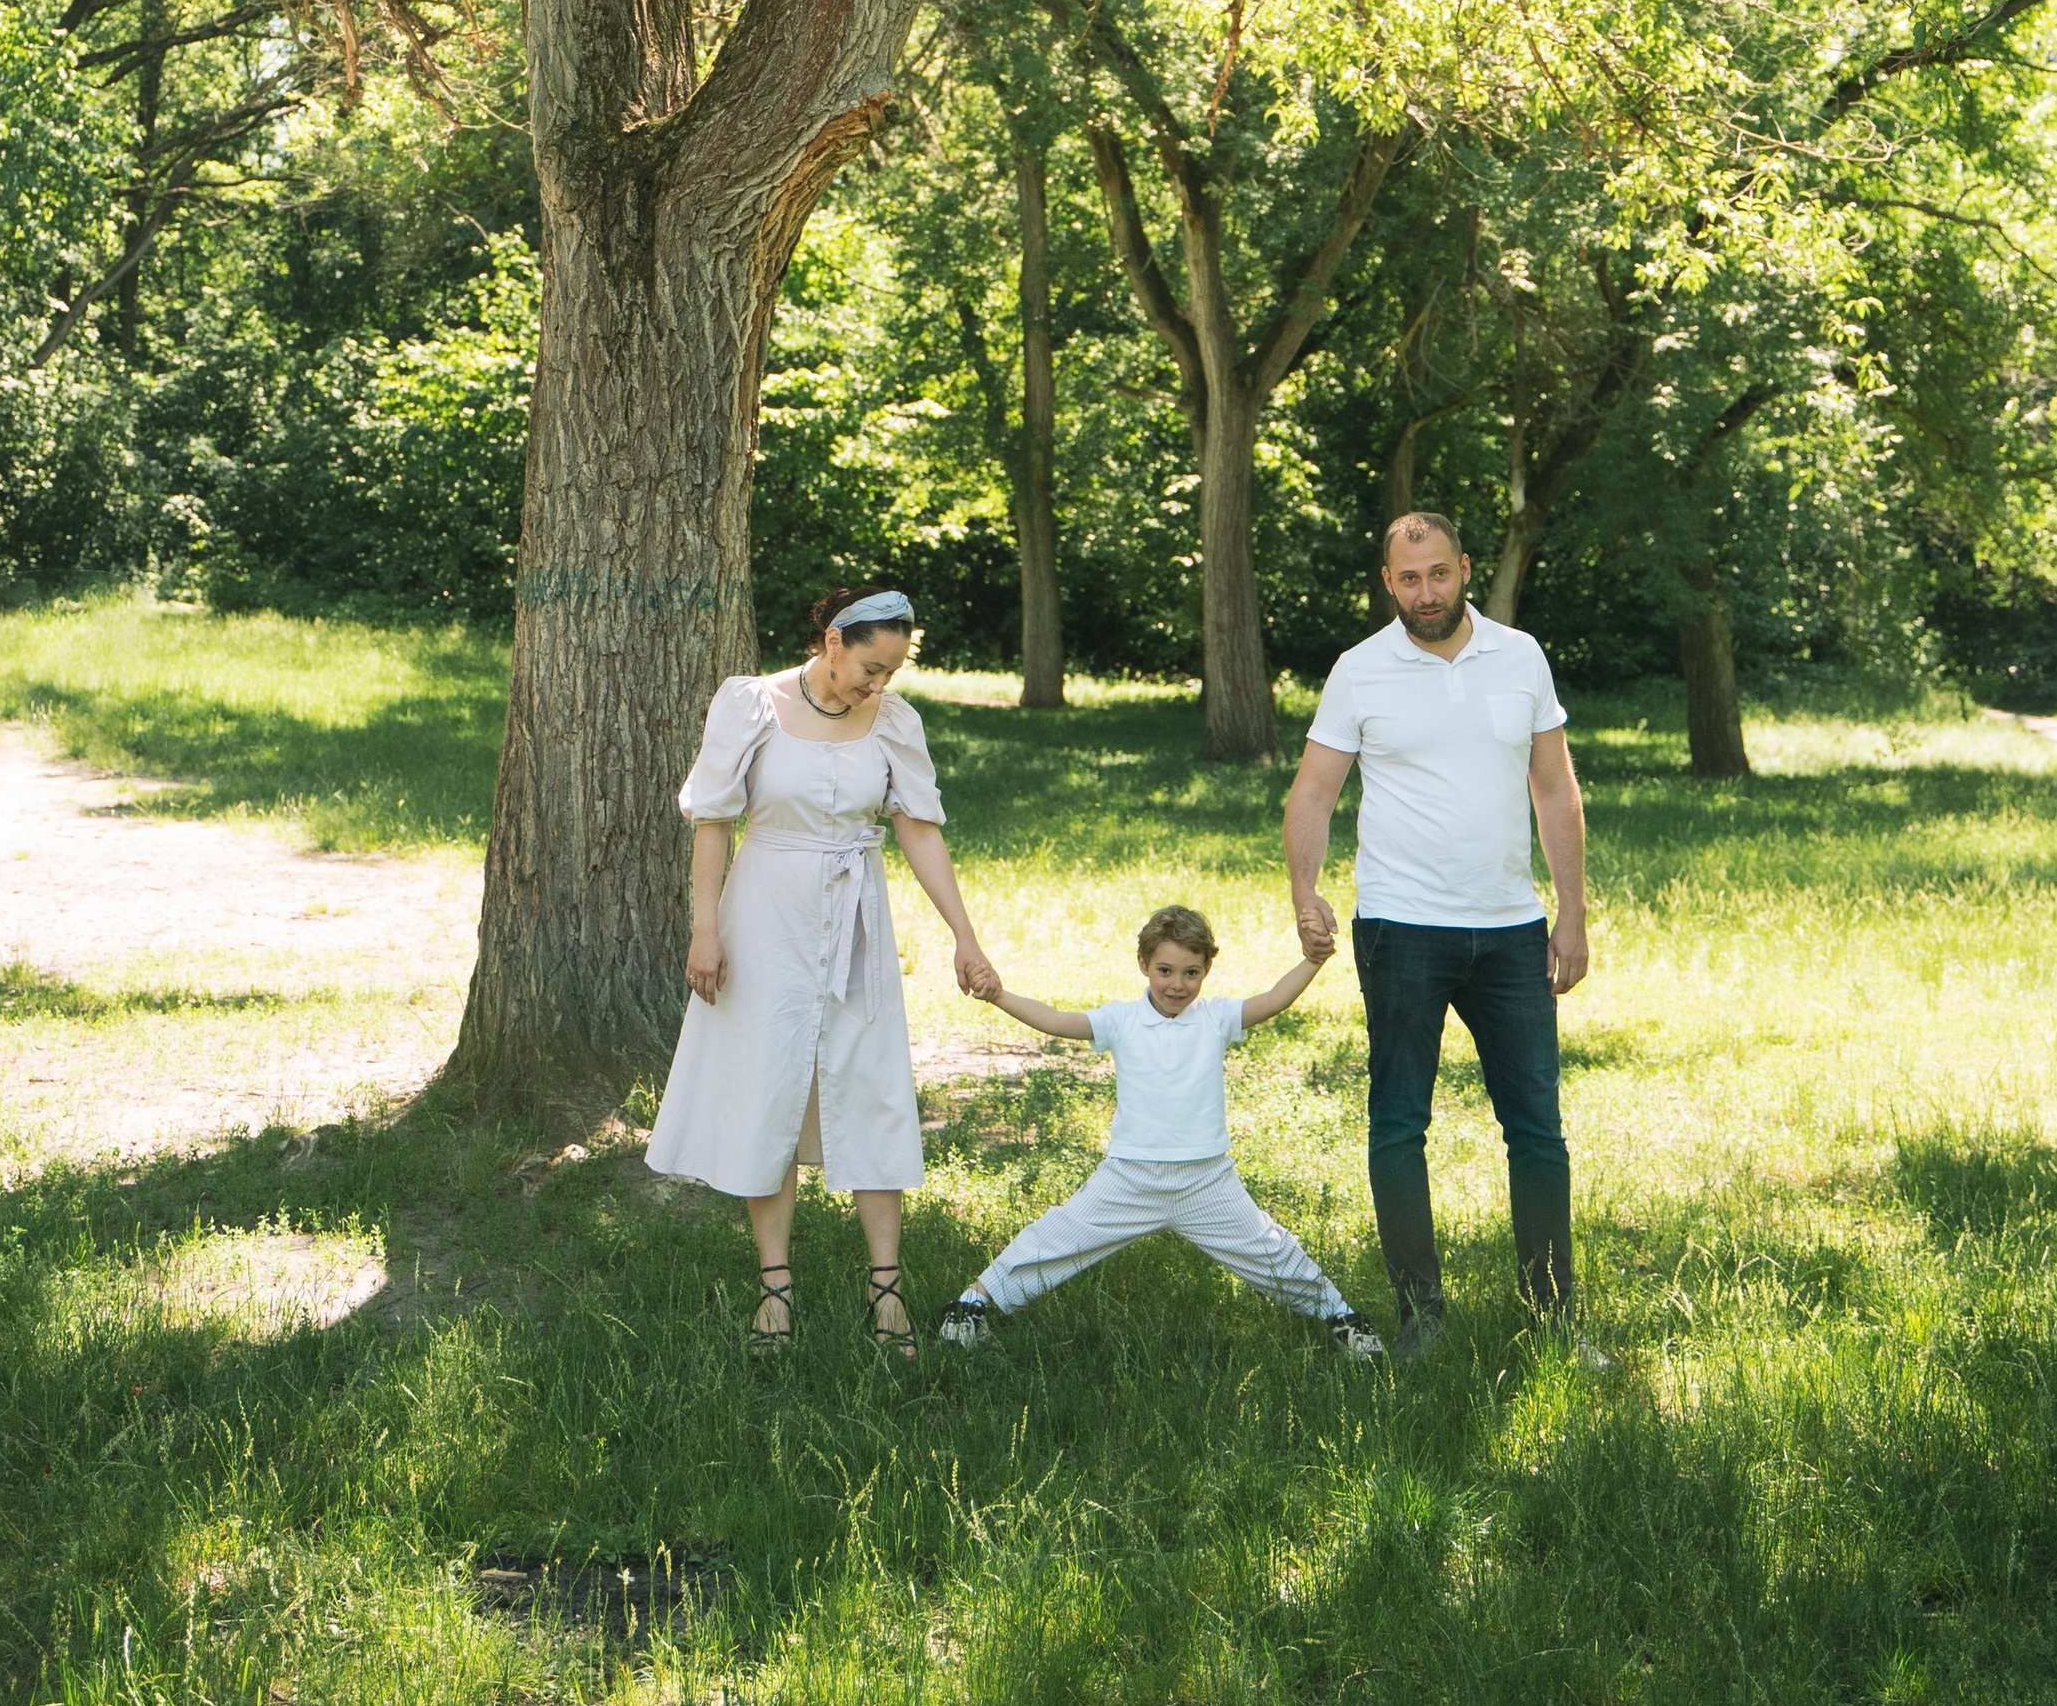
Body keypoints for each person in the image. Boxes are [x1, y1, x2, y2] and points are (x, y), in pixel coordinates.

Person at [646, 579, 999, 1356]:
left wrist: (964, 935)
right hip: (764, 914)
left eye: (892, 671)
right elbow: (714, 823)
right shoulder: (750, 704)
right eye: (872, 667)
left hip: (857, 919)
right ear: (834, 641)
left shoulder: (894, 722)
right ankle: (775, 1288)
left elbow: (920, 830)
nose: (879, 683)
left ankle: (887, 1289)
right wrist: (704, 930)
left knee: (871, 1084)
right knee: (769, 1086)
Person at [1285, 506, 1592, 1359]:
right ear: (1390, 582)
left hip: (1511, 930)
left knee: (1537, 1129)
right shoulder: (1359, 669)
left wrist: (1571, 909)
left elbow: (1555, 788)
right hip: (1401, 929)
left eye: (1440, 573)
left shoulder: (1520, 655)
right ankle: (1420, 1316)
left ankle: (1553, 1317)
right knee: (1398, 1123)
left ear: (1464, 569)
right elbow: (1313, 792)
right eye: (1409, 578)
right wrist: (1305, 892)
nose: (1427, 592)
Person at [938, 901, 1384, 1357]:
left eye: (1191, 973)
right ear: (1143, 964)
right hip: (1130, 1175)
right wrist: (998, 995)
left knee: (1270, 1250)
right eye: (1165, 971)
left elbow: (1273, 1000)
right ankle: (971, 1306)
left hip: (1206, 1177)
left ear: (1207, 969)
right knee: (1057, 1238)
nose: (1177, 985)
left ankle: (1341, 1317)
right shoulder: (1121, 1020)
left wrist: (1313, 960)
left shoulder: (1215, 1018)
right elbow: (1055, 1019)